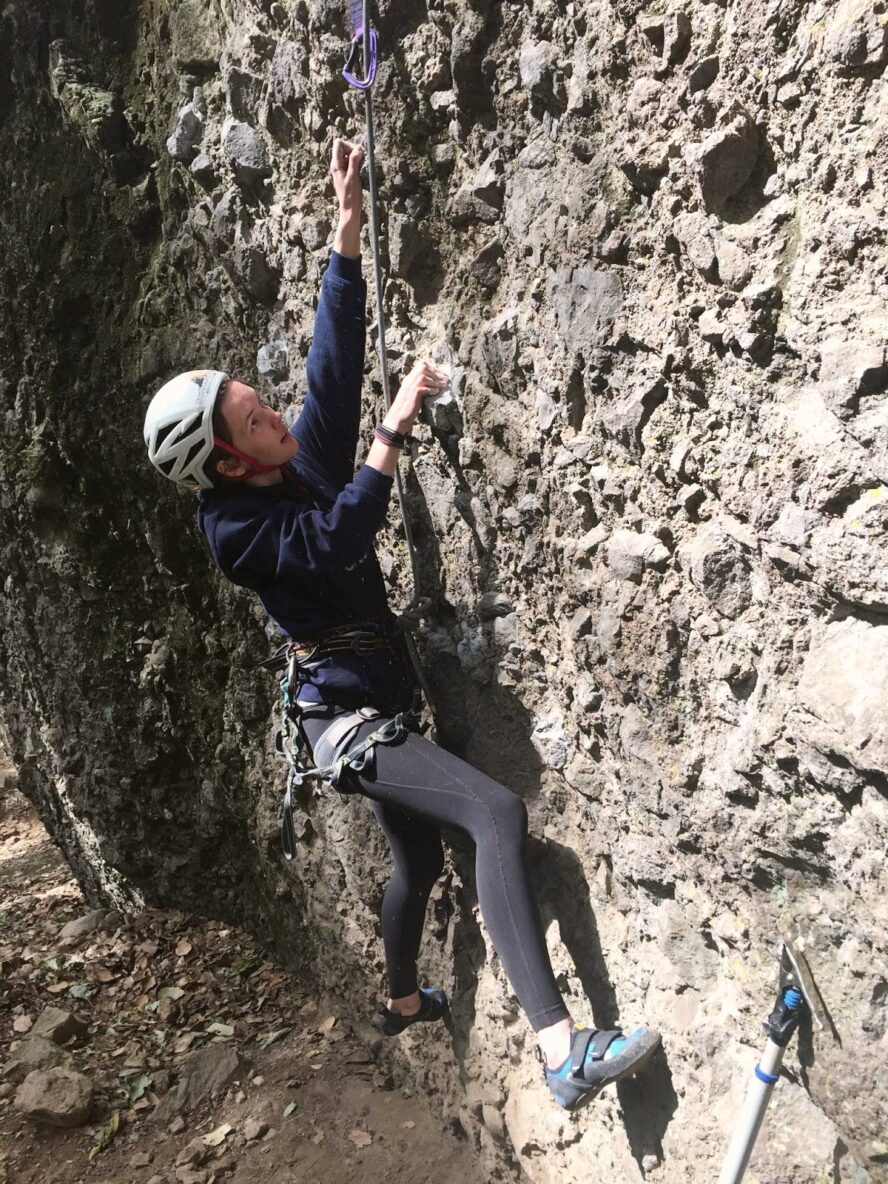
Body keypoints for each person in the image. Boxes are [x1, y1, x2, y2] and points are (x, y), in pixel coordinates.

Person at [143, 137, 661, 1110]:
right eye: (255, 419)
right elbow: (339, 540)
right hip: (349, 724)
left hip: (369, 693)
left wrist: (346, 231)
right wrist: (394, 431)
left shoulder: (281, 463)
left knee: (418, 854)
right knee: (495, 811)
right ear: (227, 463)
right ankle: (562, 1053)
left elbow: (331, 375)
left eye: (259, 403)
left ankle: (397, 994)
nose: (275, 417)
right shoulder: (238, 532)